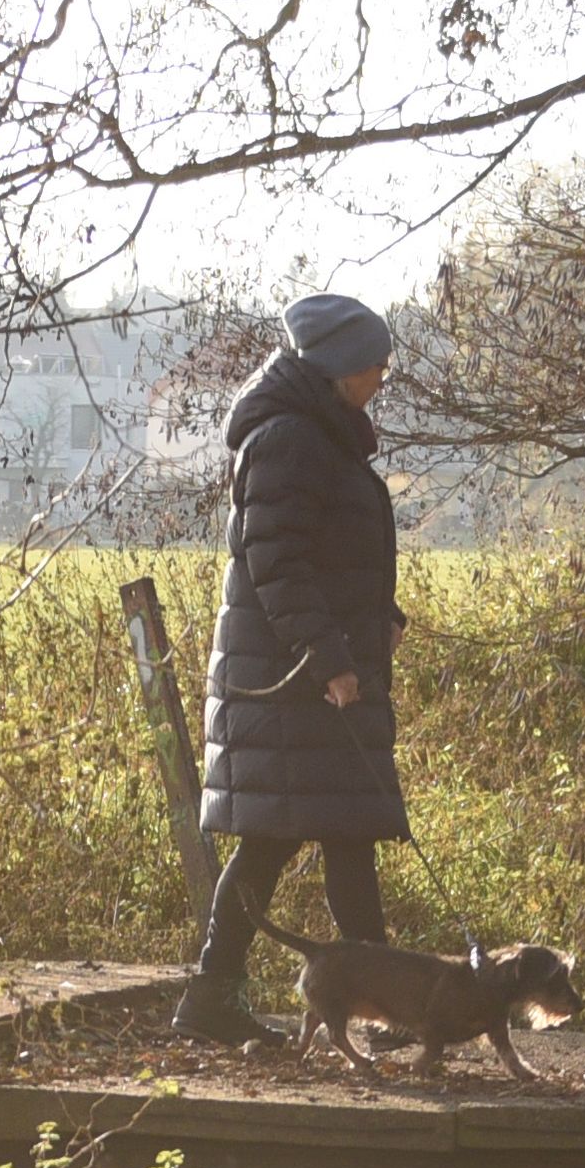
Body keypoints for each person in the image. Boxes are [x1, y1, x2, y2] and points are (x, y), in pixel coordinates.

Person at [177, 290, 408, 1042]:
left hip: (313, 675)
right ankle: (216, 995)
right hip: (290, 685)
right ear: (341, 366)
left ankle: (369, 1003)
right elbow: (277, 566)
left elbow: (331, 557)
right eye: (376, 363)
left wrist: (380, 625)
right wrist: (329, 660)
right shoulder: (288, 440)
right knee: (278, 838)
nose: (383, 375)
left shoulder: (319, 435)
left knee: (342, 834)